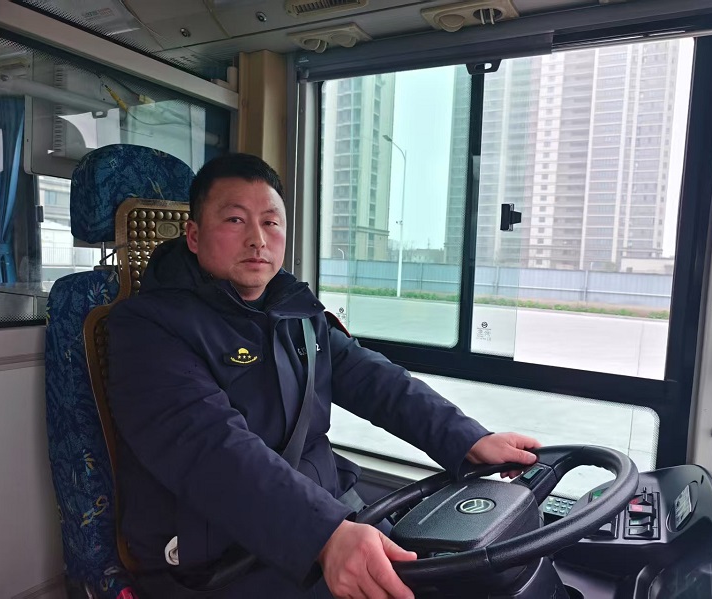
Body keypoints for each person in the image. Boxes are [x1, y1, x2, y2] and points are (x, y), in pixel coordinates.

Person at [107, 153, 541, 599]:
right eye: (235, 220)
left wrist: (468, 439)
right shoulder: (147, 329)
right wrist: (325, 535)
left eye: (271, 222)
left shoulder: (293, 309)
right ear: (194, 236)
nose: (257, 239)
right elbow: (212, 451)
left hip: (322, 520)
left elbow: (374, 380)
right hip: (219, 555)